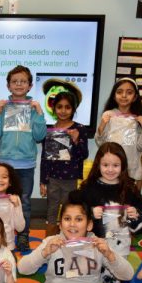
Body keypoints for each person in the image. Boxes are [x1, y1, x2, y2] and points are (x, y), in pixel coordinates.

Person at [72, 142, 142, 283]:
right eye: (105, 165)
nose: (110, 170)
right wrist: (90, 212)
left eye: (115, 165)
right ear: (98, 165)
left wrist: (135, 215)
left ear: (123, 166)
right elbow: (74, 213)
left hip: (119, 248)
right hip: (92, 246)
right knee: (84, 282)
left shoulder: (129, 188)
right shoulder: (90, 187)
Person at [0, 65, 47, 253]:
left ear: (30, 86)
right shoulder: (4, 108)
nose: (19, 84)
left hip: (26, 164)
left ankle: (23, 236)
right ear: (8, 85)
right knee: (0, 201)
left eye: (23, 81)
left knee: (24, 202)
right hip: (5, 163)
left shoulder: (34, 108)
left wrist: (39, 113)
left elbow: (39, 136)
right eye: (14, 81)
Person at [40, 91, 90, 235]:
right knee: (52, 209)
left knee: (70, 209)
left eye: (67, 107)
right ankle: (49, 239)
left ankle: (69, 236)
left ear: (73, 109)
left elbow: (83, 154)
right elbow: (45, 157)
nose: (63, 111)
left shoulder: (79, 129)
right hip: (53, 178)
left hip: (70, 178)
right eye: (59, 107)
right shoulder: (50, 130)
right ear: (54, 108)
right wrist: (43, 181)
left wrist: (76, 140)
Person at [95, 77, 142, 182]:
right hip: (110, 168)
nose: (124, 95)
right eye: (119, 92)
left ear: (135, 97)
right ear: (114, 96)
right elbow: (101, 143)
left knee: (126, 197)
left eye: (129, 92)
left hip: (129, 168)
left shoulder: (138, 118)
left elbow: (141, 147)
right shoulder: (108, 115)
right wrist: (102, 126)